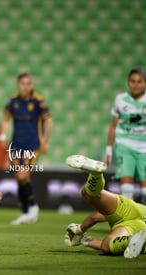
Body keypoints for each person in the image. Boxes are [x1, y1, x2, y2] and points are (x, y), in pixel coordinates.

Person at [64, 154, 146, 259]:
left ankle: (96, 175)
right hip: (137, 226)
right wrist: (79, 231)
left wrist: (81, 237)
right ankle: (131, 241)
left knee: (89, 194)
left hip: (130, 209)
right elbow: (96, 221)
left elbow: (96, 218)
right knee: (107, 246)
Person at [0, 72, 52, 224]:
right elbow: (5, 120)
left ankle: (33, 207)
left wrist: (45, 142)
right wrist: (3, 137)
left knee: (22, 175)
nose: (25, 87)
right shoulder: (13, 101)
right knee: (19, 177)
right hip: (16, 144)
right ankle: (25, 211)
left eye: (28, 84)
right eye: (23, 83)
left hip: (32, 144)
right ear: (18, 84)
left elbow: (49, 121)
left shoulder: (37, 101)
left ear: (32, 85)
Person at [105, 68, 146, 203]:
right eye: (132, 81)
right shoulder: (120, 99)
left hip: (144, 148)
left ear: (145, 84)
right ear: (128, 83)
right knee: (127, 190)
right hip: (125, 145)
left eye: (139, 82)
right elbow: (113, 125)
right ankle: (128, 223)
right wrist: (109, 150)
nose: (135, 85)